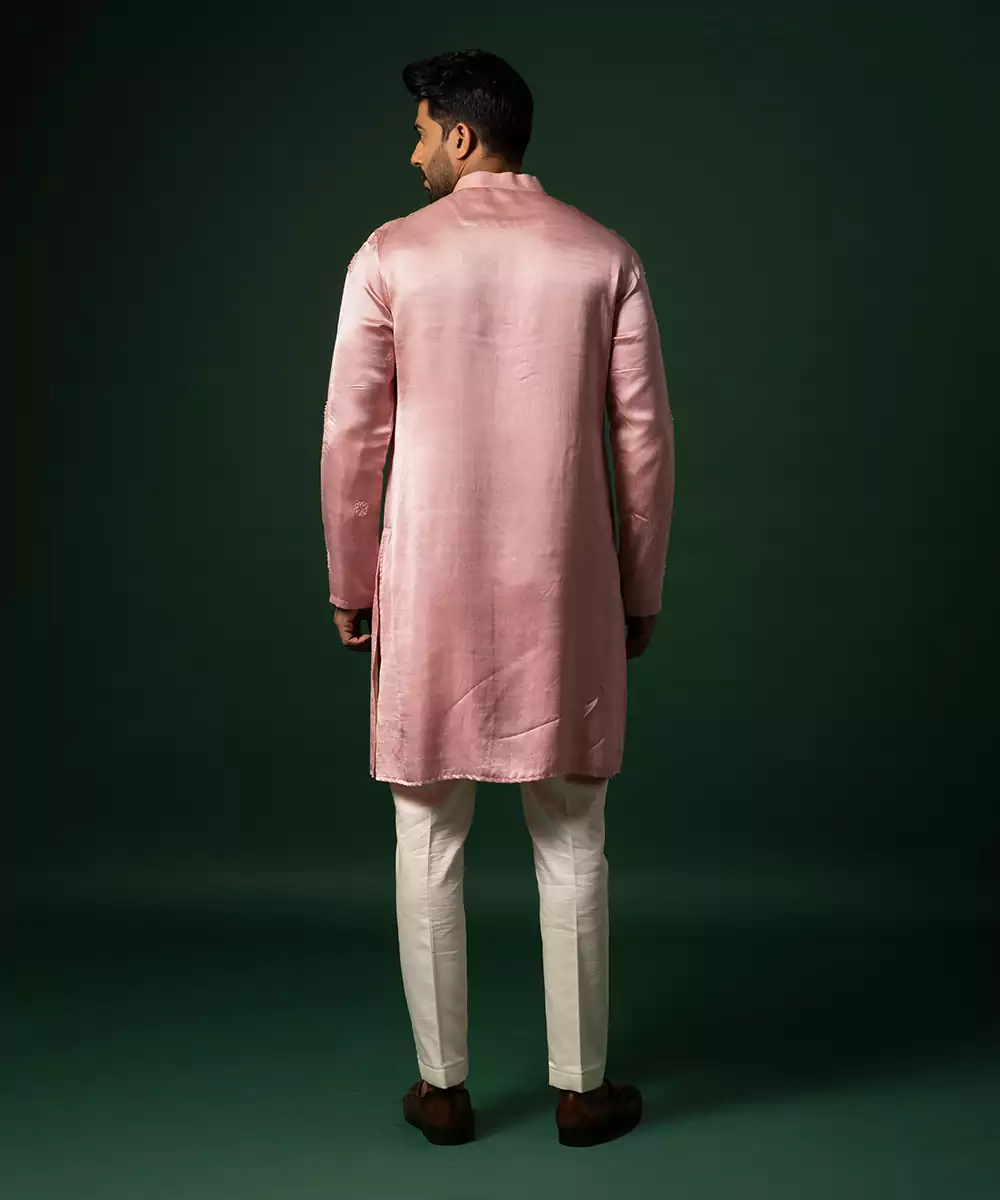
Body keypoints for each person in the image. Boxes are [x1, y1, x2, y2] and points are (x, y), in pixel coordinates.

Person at [320, 48, 674, 1147]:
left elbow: (351, 438)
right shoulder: (604, 256)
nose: (414, 152)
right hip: (566, 592)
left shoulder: (389, 255)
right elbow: (644, 446)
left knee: (425, 833)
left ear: (463, 136)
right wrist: (640, 587)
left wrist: (350, 579)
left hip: (426, 587)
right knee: (573, 834)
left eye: (422, 132)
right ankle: (582, 1090)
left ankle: (442, 1089)